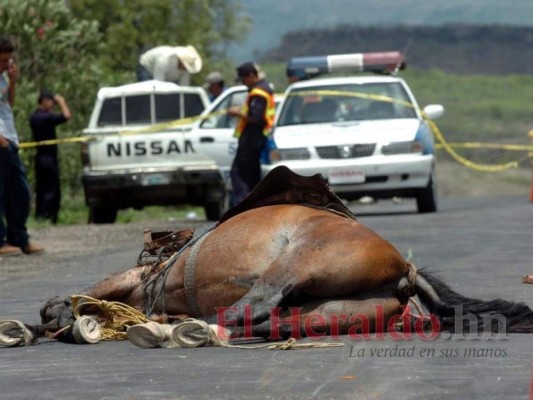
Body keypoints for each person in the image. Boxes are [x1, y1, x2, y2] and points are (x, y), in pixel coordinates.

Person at [0, 37, 43, 256]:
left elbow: (8, 104)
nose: (7, 64)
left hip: (10, 139)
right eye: (4, 60)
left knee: (20, 193)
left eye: (9, 60)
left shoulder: (3, 78)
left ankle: (19, 238)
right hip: (1, 141)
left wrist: (13, 82)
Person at [227, 62, 275, 205]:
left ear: (252, 76)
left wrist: (236, 112)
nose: (243, 83)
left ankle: (243, 205)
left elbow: (255, 116)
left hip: (252, 139)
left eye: (243, 80)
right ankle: (254, 205)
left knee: (238, 173)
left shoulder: (259, 93)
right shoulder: (261, 90)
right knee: (252, 175)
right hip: (254, 138)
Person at [29, 90, 71, 224]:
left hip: (40, 157)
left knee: (41, 188)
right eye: (51, 101)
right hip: (48, 158)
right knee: (51, 189)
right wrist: (62, 102)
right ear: (44, 101)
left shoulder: (34, 116)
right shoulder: (45, 118)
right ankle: (48, 215)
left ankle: (40, 215)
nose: (53, 104)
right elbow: (66, 116)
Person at [136, 45, 202, 85]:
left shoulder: (186, 70)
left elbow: (184, 86)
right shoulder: (164, 59)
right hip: (146, 68)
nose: (186, 69)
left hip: (165, 74)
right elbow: (158, 83)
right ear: (181, 60)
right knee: (147, 92)